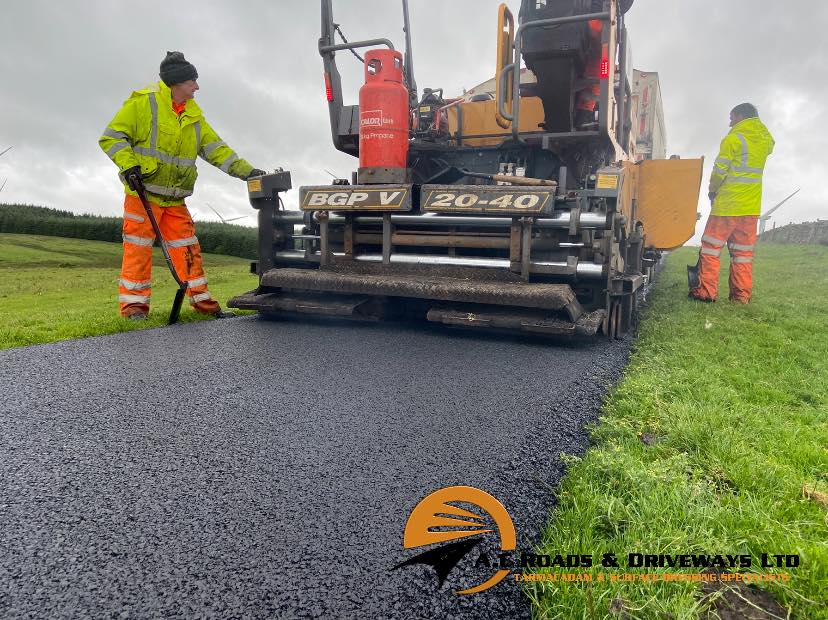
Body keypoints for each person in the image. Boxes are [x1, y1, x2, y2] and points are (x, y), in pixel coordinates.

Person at [99, 51, 265, 320]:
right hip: (143, 195)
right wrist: (128, 165)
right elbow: (111, 137)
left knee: (188, 251)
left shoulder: (193, 115)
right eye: (192, 82)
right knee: (138, 252)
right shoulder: (143, 103)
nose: (197, 87)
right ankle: (134, 309)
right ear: (177, 83)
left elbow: (217, 150)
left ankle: (203, 305)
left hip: (175, 199)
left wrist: (248, 172)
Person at [689, 103, 774, 304]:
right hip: (751, 208)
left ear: (740, 116)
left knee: (711, 249)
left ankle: (706, 292)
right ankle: (741, 297)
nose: (730, 122)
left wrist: (712, 190)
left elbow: (720, 170)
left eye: (732, 117)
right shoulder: (765, 140)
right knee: (743, 254)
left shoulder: (734, 139)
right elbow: (769, 146)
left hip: (727, 205)